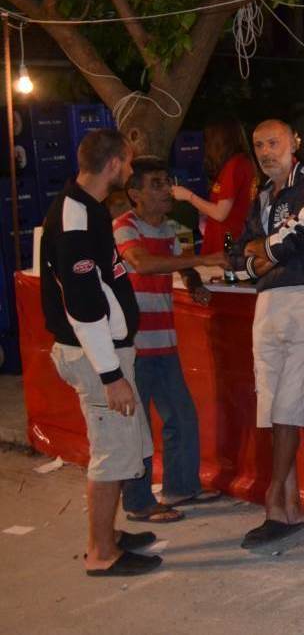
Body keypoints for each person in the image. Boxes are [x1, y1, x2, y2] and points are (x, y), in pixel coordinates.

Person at [40, 129, 160, 576]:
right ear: (112, 164)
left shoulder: (88, 207)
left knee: (122, 447)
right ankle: (101, 553)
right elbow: (83, 304)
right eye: (127, 162)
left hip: (104, 352)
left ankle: (107, 534)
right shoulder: (75, 217)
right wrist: (111, 375)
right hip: (95, 356)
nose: (130, 170)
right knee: (111, 454)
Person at [235, 119, 304, 548]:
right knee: (272, 406)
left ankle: (275, 498)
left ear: (294, 142)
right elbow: (240, 253)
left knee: (288, 407)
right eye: (258, 144)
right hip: (268, 302)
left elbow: (302, 231)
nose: (265, 151)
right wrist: (258, 258)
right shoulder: (262, 196)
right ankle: (289, 507)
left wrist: (263, 253)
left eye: (273, 142)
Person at [115, 157, 227, 522]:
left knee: (181, 415)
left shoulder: (171, 229)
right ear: (135, 194)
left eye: (167, 182)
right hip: (132, 346)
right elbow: (143, 263)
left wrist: (195, 284)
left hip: (163, 342)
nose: (166, 190)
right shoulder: (124, 227)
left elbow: (183, 265)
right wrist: (205, 258)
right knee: (138, 426)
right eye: (156, 184)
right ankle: (137, 502)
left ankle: (180, 487)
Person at [172, 119, 255, 255]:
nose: (206, 146)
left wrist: (188, 196)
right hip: (227, 238)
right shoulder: (238, 163)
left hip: (228, 241)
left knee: (225, 267)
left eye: (208, 140)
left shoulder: (235, 165)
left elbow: (220, 214)